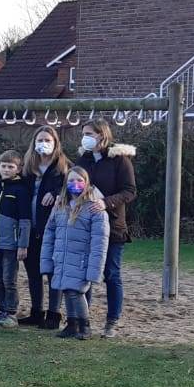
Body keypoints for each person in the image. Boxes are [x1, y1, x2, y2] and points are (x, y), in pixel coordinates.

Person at [75, 118, 136, 338]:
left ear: (102, 135)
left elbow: (130, 191)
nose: (86, 137)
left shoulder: (120, 160)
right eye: (84, 133)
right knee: (86, 273)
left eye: (90, 133)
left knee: (111, 273)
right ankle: (84, 318)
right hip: (87, 223)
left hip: (113, 224)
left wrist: (107, 202)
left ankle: (112, 320)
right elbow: (75, 183)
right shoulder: (84, 159)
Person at [41, 166, 110, 341]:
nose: (75, 184)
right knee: (66, 290)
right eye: (71, 180)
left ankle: (84, 325)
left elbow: (99, 241)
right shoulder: (60, 206)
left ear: (87, 183)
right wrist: (48, 260)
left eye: (79, 180)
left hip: (81, 259)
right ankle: (71, 324)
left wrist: (95, 269)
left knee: (76, 292)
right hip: (62, 257)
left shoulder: (94, 208)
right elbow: (50, 232)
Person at [21, 126, 70, 329]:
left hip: (52, 230)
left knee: (52, 273)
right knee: (33, 273)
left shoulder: (63, 168)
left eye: (47, 140)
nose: (43, 144)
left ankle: (53, 314)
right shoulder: (28, 169)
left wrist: (57, 191)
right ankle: (36, 312)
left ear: (55, 143)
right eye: (40, 140)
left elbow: (75, 186)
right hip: (30, 228)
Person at [0, 151, 32, 328]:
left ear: (18, 169)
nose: (7, 169)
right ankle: (0, 309)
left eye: (11, 166)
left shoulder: (21, 190)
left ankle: (11, 312)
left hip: (11, 244)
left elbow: (25, 220)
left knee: (9, 280)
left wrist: (23, 244)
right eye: (4, 166)